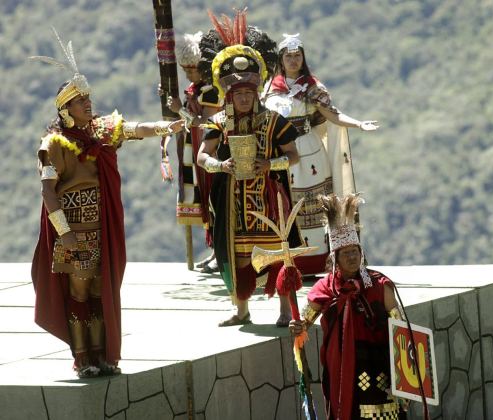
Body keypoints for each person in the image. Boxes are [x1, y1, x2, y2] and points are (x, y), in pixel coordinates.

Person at [30, 30, 184, 378]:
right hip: (72, 229)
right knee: (79, 291)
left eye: (88, 98)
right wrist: (64, 233)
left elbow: (135, 128)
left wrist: (166, 127)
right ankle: (83, 359)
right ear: (65, 109)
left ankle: (103, 357)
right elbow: (48, 192)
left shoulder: (102, 130)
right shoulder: (52, 144)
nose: (88, 104)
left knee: (101, 289)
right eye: (79, 100)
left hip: (101, 227)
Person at [196, 14, 302, 328]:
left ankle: (285, 310)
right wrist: (221, 165)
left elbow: (294, 156)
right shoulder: (218, 123)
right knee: (239, 255)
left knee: (277, 255)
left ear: (256, 94)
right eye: (238, 94)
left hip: (269, 200)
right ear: (229, 95)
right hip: (234, 203)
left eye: (248, 93)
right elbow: (202, 156)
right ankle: (241, 310)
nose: (243, 98)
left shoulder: (274, 121)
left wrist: (269, 164)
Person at [264, 33, 379, 275]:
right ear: (281, 59)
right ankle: (286, 263)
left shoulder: (312, 87)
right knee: (282, 204)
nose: (293, 60)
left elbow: (333, 115)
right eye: (288, 56)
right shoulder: (270, 88)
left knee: (313, 207)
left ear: (303, 58)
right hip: (278, 151)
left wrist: (358, 124)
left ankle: (316, 261)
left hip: (308, 151)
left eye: (297, 55)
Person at [289, 193, 406, 420]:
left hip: (381, 365)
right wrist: (297, 326)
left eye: (355, 251)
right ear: (335, 257)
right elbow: (304, 321)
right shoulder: (325, 288)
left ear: (361, 253)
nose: (352, 257)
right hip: (342, 370)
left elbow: (400, 328)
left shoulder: (380, 285)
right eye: (346, 253)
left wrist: (403, 375)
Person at [166, 31, 220, 273]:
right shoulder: (195, 89)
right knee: (204, 200)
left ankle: (221, 251)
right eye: (185, 70)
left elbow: (207, 122)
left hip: (211, 152)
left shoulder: (212, 90)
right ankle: (215, 250)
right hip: (193, 150)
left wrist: (181, 110)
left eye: (192, 70)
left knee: (213, 200)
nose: (188, 75)